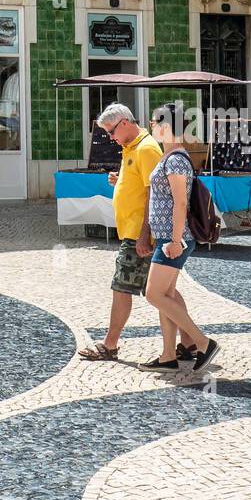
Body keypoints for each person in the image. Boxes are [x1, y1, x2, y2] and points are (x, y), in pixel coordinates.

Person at [79, 103, 196, 363]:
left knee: (123, 287)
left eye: (110, 132)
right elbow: (144, 182)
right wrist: (120, 178)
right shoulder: (131, 148)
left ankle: (110, 345)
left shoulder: (145, 148)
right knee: (166, 292)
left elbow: (155, 193)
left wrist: (145, 235)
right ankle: (190, 343)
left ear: (123, 123)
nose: (110, 138)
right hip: (134, 232)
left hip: (139, 234)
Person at [142, 104, 219, 373]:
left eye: (153, 122)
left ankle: (201, 342)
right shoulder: (171, 157)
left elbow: (180, 201)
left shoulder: (175, 160)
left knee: (153, 294)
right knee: (167, 294)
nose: (151, 127)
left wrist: (175, 240)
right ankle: (167, 356)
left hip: (174, 238)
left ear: (166, 126)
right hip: (167, 236)